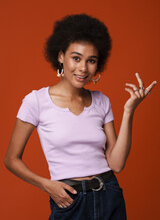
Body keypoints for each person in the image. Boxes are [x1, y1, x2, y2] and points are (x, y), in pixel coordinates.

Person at [4, 13, 157, 220]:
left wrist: (129, 111)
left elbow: (117, 164)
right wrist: (46, 185)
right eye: (76, 58)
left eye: (91, 61)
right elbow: (11, 159)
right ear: (60, 56)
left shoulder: (102, 100)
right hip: (69, 201)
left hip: (109, 195)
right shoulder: (36, 101)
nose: (83, 68)